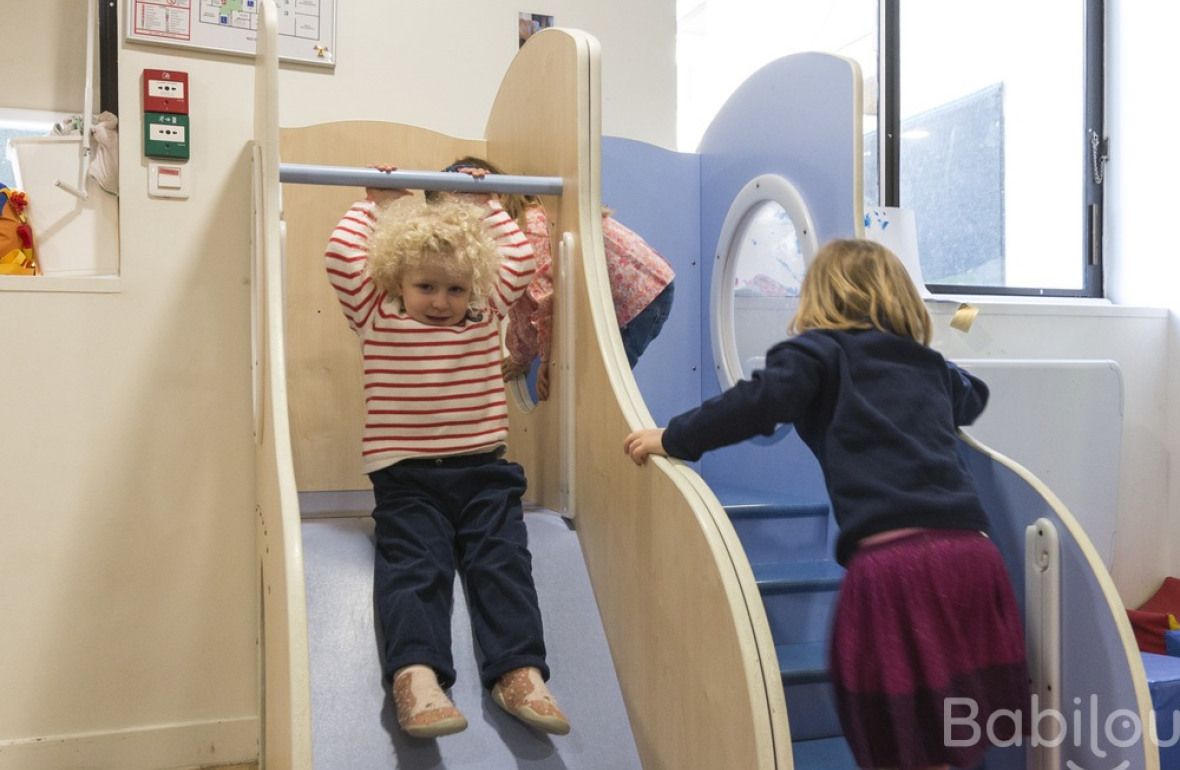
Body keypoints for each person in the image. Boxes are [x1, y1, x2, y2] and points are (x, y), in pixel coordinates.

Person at [623, 238, 1029, 770]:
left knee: (892, 724)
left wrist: (673, 437)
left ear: (820, 297)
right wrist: (919, 359)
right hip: (973, 559)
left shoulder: (818, 353)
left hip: (898, 567)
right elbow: (972, 396)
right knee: (951, 728)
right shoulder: (927, 365)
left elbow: (757, 404)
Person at [324, 169, 570, 739]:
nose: (442, 301)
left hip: (483, 469)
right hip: (406, 477)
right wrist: (377, 205)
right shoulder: (376, 313)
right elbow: (341, 256)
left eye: (455, 289)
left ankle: (519, 672)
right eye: (426, 287)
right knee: (415, 568)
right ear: (396, 281)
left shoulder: (486, 314)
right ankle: (417, 677)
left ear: (474, 288)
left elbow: (519, 256)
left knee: (502, 560)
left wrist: (479, 202)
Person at [434, 156, 675, 400]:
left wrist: (539, 360)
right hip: (642, 284)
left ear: (500, 199)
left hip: (642, 294)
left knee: (597, 394)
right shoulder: (526, 221)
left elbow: (538, 303)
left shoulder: (527, 229)